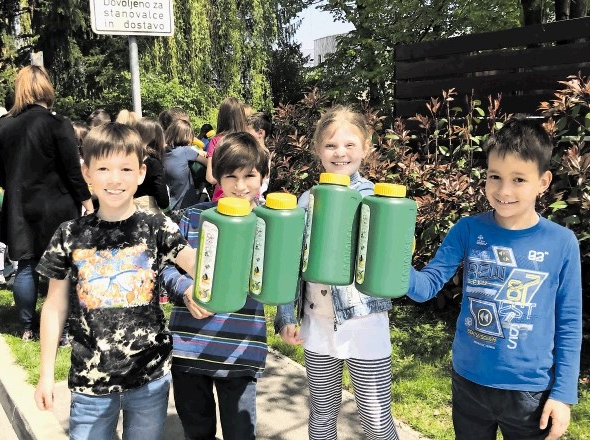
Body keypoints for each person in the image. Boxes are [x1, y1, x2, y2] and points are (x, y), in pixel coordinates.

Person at [406, 118, 582, 440]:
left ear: (543, 182)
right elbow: (425, 286)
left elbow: (568, 322)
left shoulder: (561, 242)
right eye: (495, 177)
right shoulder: (467, 230)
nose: (504, 191)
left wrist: (563, 394)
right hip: (469, 384)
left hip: (530, 394)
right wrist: (390, 266)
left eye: (519, 179)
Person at [33, 122, 197, 440]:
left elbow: (201, 269)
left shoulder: (158, 227)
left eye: (125, 168)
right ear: (87, 173)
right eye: (104, 168)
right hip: (89, 384)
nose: (114, 178)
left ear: (140, 173)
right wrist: (45, 374)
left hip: (149, 380)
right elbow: (53, 308)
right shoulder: (69, 234)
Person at [275, 105, 400, 440]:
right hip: (316, 325)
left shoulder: (376, 199)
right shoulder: (307, 200)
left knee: (376, 419)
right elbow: (290, 265)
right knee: (322, 412)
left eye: (349, 144)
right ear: (317, 149)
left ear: (366, 146)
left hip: (365, 325)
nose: (340, 153)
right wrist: (286, 315)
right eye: (330, 145)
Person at [161, 132, 270, 440]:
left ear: (263, 177)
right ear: (217, 177)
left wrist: (287, 316)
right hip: (189, 349)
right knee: (197, 433)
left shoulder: (269, 225)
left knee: (240, 433)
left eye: (250, 175)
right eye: (231, 176)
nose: (240, 185)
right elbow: (165, 269)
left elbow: (280, 280)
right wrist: (184, 290)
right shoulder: (192, 218)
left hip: (240, 351)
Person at [0, 66, 93, 340]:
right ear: (46, 88)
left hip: (19, 208)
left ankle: (26, 328)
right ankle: (64, 329)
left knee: (26, 266)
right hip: (56, 205)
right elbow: (73, 171)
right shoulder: (58, 123)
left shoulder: (3, 126)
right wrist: (89, 203)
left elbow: (1, 175)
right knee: (59, 268)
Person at [205, 97, 247, 201]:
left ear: (221, 117)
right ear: (241, 116)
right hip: (246, 200)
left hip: (222, 201)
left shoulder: (216, 141)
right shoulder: (248, 141)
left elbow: (210, 178)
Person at [164, 119, 207, 210]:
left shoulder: (163, 152)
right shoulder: (185, 151)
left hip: (169, 206)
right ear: (188, 136)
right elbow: (207, 163)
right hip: (185, 205)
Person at [133, 117, 169, 212]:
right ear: (158, 140)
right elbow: (163, 202)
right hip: (146, 212)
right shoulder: (154, 164)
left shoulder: (126, 158)